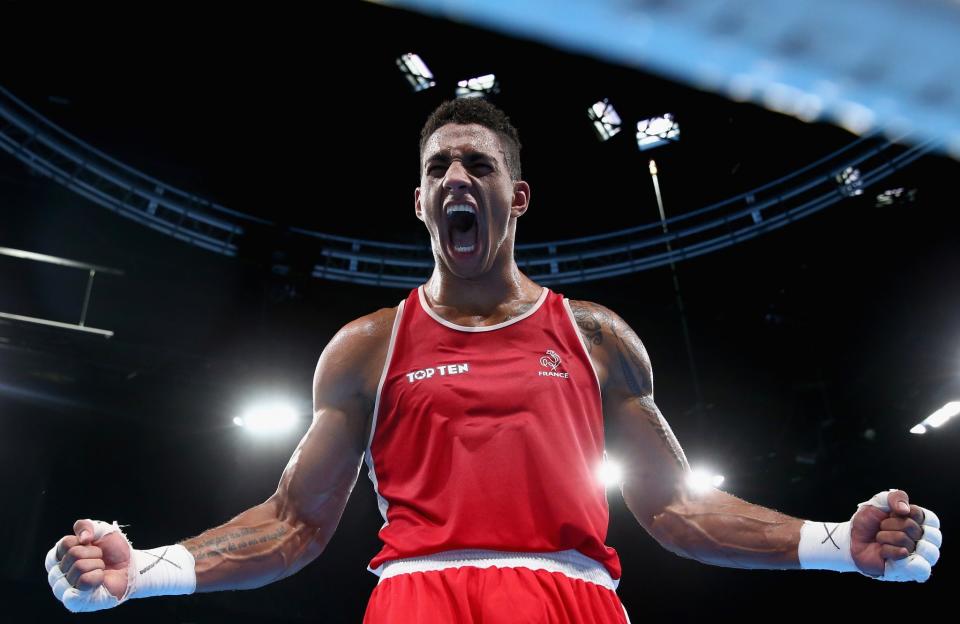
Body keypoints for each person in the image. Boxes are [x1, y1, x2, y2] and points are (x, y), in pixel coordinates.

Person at [45, 99, 943, 623]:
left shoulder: (595, 336)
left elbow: (677, 509)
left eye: (476, 163)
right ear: (419, 200)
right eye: (438, 167)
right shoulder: (366, 347)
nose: (455, 179)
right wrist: (146, 569)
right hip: (416, 598)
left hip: (571, 596)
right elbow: (292, 523)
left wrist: (834, 546)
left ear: (516, 196)